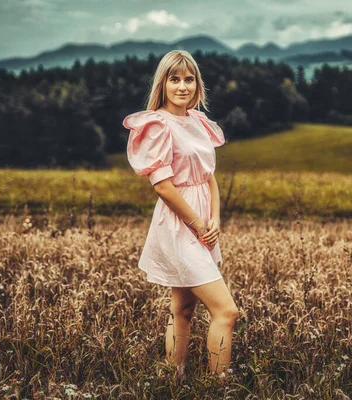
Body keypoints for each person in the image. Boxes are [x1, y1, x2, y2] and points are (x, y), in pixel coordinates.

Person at [122, 50, 239, 380]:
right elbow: (163, 187)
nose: (183, 86)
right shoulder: (157, 125)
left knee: (183, 308)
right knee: (226, 311)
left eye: (189, 79)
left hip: (203, 221)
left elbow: (208, 176)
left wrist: (215, 219)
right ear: (163, 83)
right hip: (178, 224)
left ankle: (175, 377)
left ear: (197, 85)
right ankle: (220, 386)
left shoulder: (198, 121)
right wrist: (198, 223)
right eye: (175, 79)